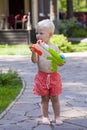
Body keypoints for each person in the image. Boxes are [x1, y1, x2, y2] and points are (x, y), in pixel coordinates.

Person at [29, 19, 65, 125]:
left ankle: (57, 116)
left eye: (41, 33)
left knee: (55, 98)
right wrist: (34, 53)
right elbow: (34, 61)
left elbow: (59, 62)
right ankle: (45, 116)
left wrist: (61, 62)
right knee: (44, 98)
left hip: (54, 77)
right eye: (37, 33)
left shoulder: (54, 48)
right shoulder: (38, 47)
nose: (38, 36)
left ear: (50, 34)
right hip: (42, 76)